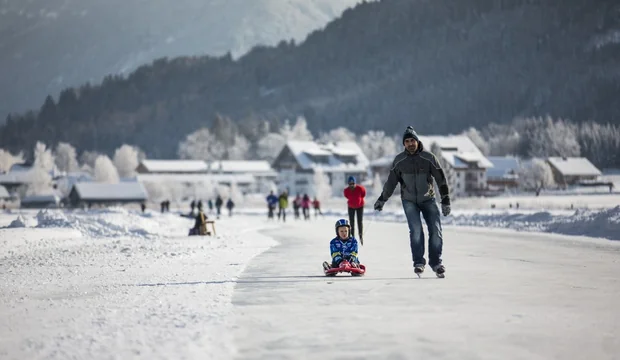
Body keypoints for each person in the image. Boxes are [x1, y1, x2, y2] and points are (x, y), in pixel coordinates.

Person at [373, 126, 451, 277]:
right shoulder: (399, 161)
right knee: (416, 231)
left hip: (428, 199)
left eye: (412, 140)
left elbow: (441, 179)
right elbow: (391, 183)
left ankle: (436, 263)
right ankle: (419, 263)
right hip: (409, 201)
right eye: (407, 141)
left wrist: (445, 200)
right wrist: (382, 199)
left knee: (436, 231)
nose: (410, 144)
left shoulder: (429, 158)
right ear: (404, 144)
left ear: (417, 141)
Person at [343, 175, 366, 243]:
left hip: (360, 206)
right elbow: (346, 196)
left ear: (355, 183)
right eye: (350, 184)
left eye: (353, 184)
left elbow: (363, 194)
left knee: (359, 221)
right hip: (351, 207)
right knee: (351, 222)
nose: (352, 185)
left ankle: (360, 235)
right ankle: (352, 236)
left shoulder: (360, 188)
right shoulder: (346, 190)